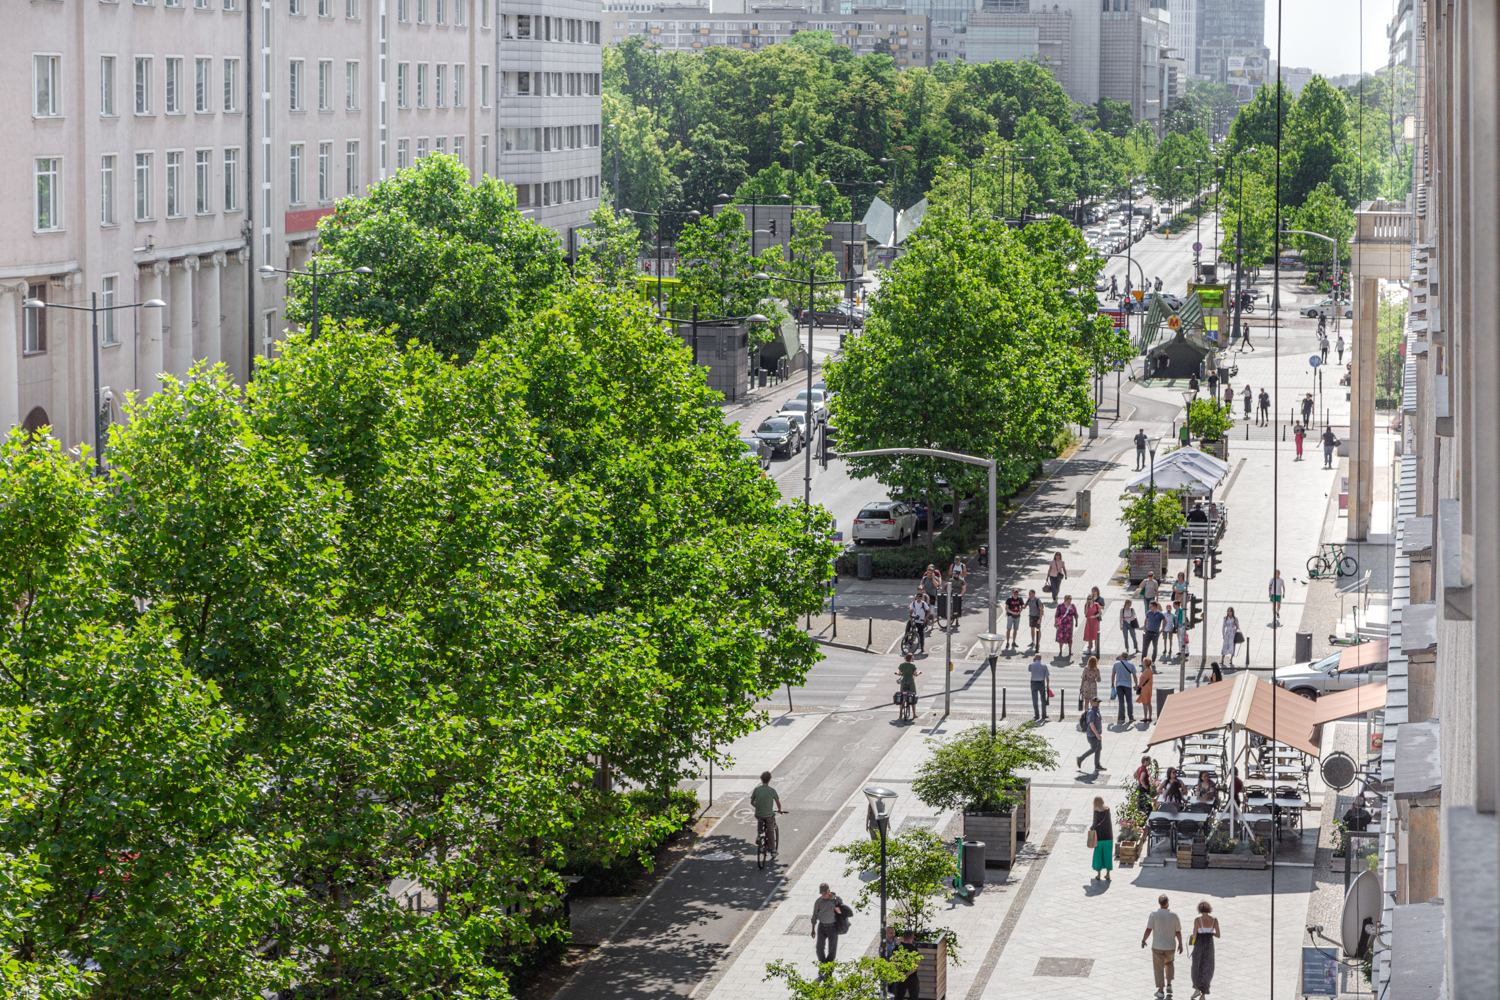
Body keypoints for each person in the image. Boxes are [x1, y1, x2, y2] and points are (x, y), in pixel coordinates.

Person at [1142, 894, 1183, 999]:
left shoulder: (1153, 915)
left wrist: (1144, 940)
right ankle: (1169, 984)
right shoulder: (1174, 916)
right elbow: (1178, 932)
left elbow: (1148, 929)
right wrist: (1180, 944)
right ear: (1167, 903)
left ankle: (1160, 991)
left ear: (1159, 903)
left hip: (1157, 946)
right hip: (1170, 946)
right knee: (1169, 964)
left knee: (1158, 968)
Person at [1189, 901, 1220, 998]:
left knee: (1196, 966)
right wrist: (1211, 933)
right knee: (1208, 967)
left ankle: (1197, 988)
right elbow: (1218, 935)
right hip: (1209, 944)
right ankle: (1203, 994)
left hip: (1199, 944)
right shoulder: (1214, 920)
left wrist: (1191, 938)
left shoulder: (1198, 920)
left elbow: (1194, 935)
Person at [752, 771, 785, 857]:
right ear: (769, 779)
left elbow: (752, 802)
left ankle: (759, 835)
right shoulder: (772, 790)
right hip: (769, 815)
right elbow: (778, 802)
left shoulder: (756, 790)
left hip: (759, 813)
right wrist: (779, 810)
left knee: (760, 820)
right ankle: (773, 850)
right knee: (770, 831)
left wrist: (757, 807)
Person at [811, 883, 844, 964]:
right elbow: (814, 915)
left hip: (832, 927)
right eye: (822, 894)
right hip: (821, 926)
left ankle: (829, 965)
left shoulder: (837, 900)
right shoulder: (819, 901)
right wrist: (813, 929)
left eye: (825, 893)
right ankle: (823, 964)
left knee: (832, 949)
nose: (823, 895)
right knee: (819, 948)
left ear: (829, 891)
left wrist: (839, 912)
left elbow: (843, 912)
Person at [889, 929, 921, 999]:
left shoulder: (897, 948)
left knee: (899, 996)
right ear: (912, 937)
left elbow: (892, 962)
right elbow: (916, 965)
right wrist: (907, 974)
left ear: (903, 937)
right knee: (914, 996)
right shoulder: (914, 949)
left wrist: (899, 973)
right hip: (912, 977)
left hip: (900, 976)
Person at [1090, 795, 1114, 880]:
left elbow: (1095, 823)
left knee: (1098, 855)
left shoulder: (1096, 812)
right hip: (1108, 836)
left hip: (1099, 837)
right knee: (1108, 855)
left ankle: (1099, 875)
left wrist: (1091, 828)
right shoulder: (1107, 810)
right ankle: (1108, 874)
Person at [1077, 696, 1103, 770]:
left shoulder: (1096, 710)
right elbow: (1091, 724)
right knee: (1094, 748)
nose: (1098, 704)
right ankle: (1080, 758)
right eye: (1097, 702)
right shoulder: (1091, 712)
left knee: (1098, 748)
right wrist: (1097, 734)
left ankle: (1097, 765)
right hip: (1092, 735)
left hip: (1096, 734)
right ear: (1092, 703)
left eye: (1099, 702)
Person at [1111, 652, 1137, 724]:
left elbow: (1113, 675)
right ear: (1127, 657)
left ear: (1121, 656)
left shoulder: (1116, 664)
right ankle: (1131, 717)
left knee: (1121, 702)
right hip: (1128, 685)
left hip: (1119, 685)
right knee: (1129, 701)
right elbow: (1134, 675)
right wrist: (1136, 684)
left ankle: (1122, 718)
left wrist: (1112, 684)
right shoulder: (1131, 665)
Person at [1028, 651, 1051, 722]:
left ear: (1035, 658)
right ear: (1041, 659)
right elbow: (1047, 676)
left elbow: (1029, 670)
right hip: (1041, 682)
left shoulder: (1031, 665)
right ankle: (1044, 714)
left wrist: (1033, 661)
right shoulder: (1044, 666)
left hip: (1033, 683)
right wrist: (1047, 685)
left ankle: (1036, 715)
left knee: (1035, 699)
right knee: (1043, 699)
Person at [1083, 587, 1104, 657]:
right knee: (1089, 635)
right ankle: (1089, 650)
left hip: (1095, 621)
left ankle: (1096, 650)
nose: (1089, 600)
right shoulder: (1087, 605)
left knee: (1095, 635)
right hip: (1089, 621)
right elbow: (1086, 613)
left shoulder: (1096, 604)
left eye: (1090, 599)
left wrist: (1094, 616)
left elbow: (1100, 613)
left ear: (1093, 598)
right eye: (1088, 599)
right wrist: (1086, 605)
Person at [1137, 657, 1156, 724]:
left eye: (1143, 662)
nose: (1142, 663)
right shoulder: (1150, 670)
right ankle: (1149, 716)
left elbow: (1143, 680)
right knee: (1149, 702)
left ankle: (1145, 717)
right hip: (1149, 687)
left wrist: (1138, 686)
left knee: (1145, 703)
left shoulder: (1146, 671)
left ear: (1145, 663)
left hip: (1144, 688)